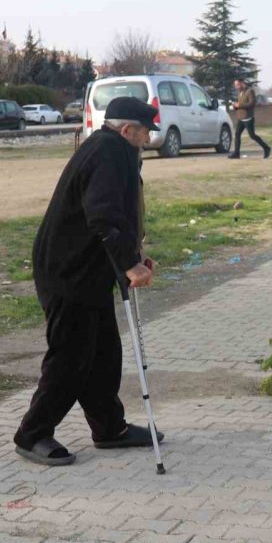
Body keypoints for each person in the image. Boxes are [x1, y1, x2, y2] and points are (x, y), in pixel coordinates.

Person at [13, 96, 163, 466]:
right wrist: (128, 265)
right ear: (128, 130)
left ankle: (110, 428)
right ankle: (32, 435)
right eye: (144, 133)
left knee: (103, 354)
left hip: (88, 272)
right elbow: (102, 215)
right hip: (68, 272)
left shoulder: (113, 149)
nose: (147, 139)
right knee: (70, 357)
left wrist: (134, 256)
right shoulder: (109, 154)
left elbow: (118, 216)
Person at [228, 79, 271, 159]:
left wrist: (239, 105)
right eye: (235, 85)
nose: (236, 87)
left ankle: (266, 148)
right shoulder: (240, 92)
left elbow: (251, 104)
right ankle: (236, 153)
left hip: (248, 118)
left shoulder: (250, 91)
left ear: (242, 83)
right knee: (237, 134)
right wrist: (235, 106)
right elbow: (240, 104)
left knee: (252, 136)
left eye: (237, 85)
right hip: (241, 118)